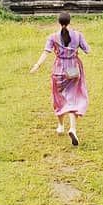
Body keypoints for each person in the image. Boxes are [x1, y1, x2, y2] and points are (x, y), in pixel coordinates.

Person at [30, 12, 90, 145]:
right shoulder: (78, 35)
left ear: (59, 22)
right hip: (73, 69)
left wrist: (37, 65)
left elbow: (46, 52)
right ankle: (73, 128)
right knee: (73, 98)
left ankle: (61, 125)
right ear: (70, 22)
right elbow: (87, 50)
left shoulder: (53, 37)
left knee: (58, 98)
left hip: (59, 70)